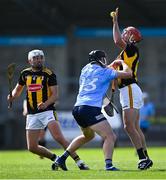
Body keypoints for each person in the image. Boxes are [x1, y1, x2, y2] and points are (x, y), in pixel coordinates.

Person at [7, 49, 89, 170]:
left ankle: (80, 162)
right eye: (35, 58)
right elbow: (17, 91)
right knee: (32, 147)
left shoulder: (49, 74)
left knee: (59, 138)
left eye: (40, 57)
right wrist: (12, 96)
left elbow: (55, 95)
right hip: (32, 114)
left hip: (47, 111)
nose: (39, 60)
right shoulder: (25, 74)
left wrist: (45, 104)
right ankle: (56, 159)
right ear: (29, 61)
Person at [52, 50, 132, 171]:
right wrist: (121, 63)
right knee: (110, 136)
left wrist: (111, 65)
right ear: (100, 59)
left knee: (88, 136)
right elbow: (129, 74)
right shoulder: (106, 72)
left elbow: (100, 73)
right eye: (104, 58)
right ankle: (109, 165)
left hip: (77, 108)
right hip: (90, 108)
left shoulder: (85, 69)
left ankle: (61, 159)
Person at [111, 8, 153, 170]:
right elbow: (114, 75)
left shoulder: (131, 48)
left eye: (126, 32)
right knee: (134, 127)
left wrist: (115, 22)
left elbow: (116, 41)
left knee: (129, 127)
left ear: (131, 37)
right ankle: (146, 157)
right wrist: (113, 92)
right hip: (128, 89)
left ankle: (142, 158)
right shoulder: (124, 53)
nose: (122, 34)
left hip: (129, 88)